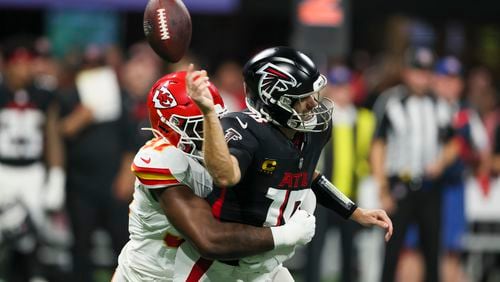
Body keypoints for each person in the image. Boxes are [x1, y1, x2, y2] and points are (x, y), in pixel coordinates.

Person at [183, 46, 393, 281]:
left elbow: (307, 173)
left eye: (314, 94)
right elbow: (225, 175)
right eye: (303, 98)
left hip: (267, 265)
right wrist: (209, 115)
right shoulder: (244, 130)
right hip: (222, 266)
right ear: (276, 101)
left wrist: (354, 211)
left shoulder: (315, 131)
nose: (314, 104)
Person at [113, 71, 317, 282]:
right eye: (201, 125)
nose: (212, 132)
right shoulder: (163, 159)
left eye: (216, 121)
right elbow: (209, 239)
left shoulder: (225, 152)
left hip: (206, 271)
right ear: (169, 126)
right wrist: (284, 235)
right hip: (150, 276)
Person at [371, 47, 458, 282]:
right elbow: (378, 146)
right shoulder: (391, 101)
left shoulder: (440, 104)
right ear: (407, 73)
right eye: (419, 72)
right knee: (392, 248)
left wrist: (441, 163)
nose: (423, 78)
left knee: (432, 249)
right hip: (400, 184)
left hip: (430, 187)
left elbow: (452, 143)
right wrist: (383, 189)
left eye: (427, 72)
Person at [0, 36, 65, 282]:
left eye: (28, 63)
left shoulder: (43, 95)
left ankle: (33, 275)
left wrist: (56, 176)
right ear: (6, 65)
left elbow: (53, 137)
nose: (25, 69)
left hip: (31, 172)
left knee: (32, 236)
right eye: (19, 63)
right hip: (2, 170)